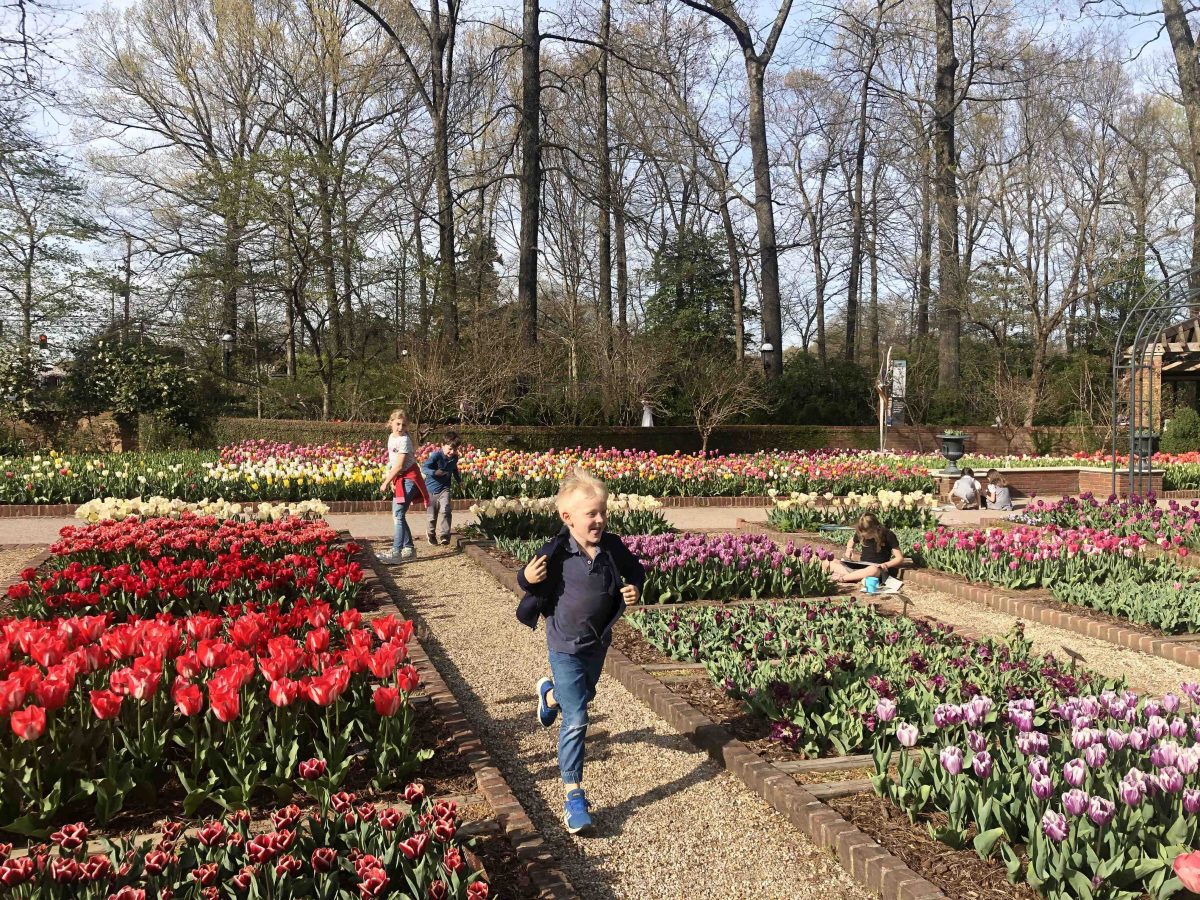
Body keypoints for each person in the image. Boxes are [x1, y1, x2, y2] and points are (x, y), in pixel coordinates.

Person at [515, 469, 646, 835]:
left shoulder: (612, 549)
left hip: (596, 643)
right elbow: (525, 579)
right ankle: (573, 793)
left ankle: (549, 695)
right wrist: (528, 576)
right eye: (591, 514)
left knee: (581, 696)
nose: (600, 519)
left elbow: (637, 572)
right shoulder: (557, 551)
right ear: (567, 517)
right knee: (578, 717)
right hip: (563, 645)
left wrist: (635, 589)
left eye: (603, 511)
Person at [378, 410, 429, 564]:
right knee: (398, 515)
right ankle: (409, 549)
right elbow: (393, 462)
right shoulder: (391, 437)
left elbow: (400, 465)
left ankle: (396, 552)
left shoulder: (405, 441)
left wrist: (386, 482)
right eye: (397, 424)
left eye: (404, 425)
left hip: (409, 479)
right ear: (390, 423)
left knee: (398, 514)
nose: (400, 427)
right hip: (400, 479)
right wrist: (393, 480)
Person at [828, 513, 905, 588]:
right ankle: (855, 577)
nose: (863, 536)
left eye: (866, 535)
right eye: (861, 534)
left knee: (873, 570)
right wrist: (849, 549)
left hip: (877, 568)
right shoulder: (861, 533)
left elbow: (899, 558)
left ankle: (844, 578)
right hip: (862, 566)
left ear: (875, 528)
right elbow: (851, 541)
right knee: (832, 561)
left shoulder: (888, 535)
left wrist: (886, 565)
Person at [422, 431, 462, 545]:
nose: (452, 452)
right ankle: (430, 534)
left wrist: (459, 480)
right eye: (450, 449)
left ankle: (445, 535)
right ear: (442, 445)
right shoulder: (436, 456)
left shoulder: (454, 457)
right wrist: (435, 472)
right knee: (432, 515)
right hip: (431, 489)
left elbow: (454, 469)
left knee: (446, 510)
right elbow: (424, 468)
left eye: (455, 449)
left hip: (445, 488)